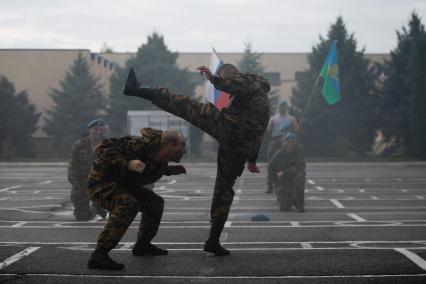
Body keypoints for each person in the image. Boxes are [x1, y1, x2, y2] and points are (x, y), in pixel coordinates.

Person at [123, 64, 270, 256]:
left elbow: (235, 84)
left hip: (229, 129)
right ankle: (213, 240)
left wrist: (214, 78)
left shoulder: (250, 83)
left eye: (226, 76)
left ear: (234, 74)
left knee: (185, 105)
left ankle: (136, 90)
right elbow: (259, 132)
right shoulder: (257, 97)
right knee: (224, 189)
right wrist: (251, 159)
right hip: (238, 145)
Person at [87, 128, 187, 270]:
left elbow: (148, 166)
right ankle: (99, 254)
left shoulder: (160, 158)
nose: (184, 151)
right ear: (170, 146)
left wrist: (168, 171)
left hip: (123, 185)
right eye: (182, 145)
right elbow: (102, 148)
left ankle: (142, 245)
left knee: (155, 203)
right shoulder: (138, 145)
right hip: (101, 183)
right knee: (128, 204)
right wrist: (126, 163)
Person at [68, 118, 108, 221]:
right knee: (82, 217)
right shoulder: (79, 145)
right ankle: (96, 209)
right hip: (83, 183)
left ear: (104, 130)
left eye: (101, 129)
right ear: (90, 130)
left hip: (101, 183)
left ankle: (100, 206)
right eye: (95, 129)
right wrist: (75, 183)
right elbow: (73, 165)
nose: (98, 132)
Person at [265, 100, 299, 193]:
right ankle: (270, 185)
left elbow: (296, 130)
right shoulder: (273, 119)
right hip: (276, 141)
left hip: (288, 142)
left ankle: (291, 183)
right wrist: (269, 123)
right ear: (278, 107)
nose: (282, 108)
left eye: (284, 106)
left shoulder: (291, 118)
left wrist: (298, 125)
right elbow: (268, 130)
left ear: (286, 108)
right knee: (271, 162)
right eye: (280, 106)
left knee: (290, 162)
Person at [268, 132, 306, 212]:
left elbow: (301, 167)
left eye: (292, 142)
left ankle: (299, 203)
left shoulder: (299, 151)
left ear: (296, 142)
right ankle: (290, 199)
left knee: (300, 176)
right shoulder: (279, 153)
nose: (290, 144)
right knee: (284, 209)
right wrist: (274, 183)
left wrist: (285, 172)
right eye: (288, 142)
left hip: (294, 175)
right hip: (283, 179)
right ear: (284, 143)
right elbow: (271, 167)